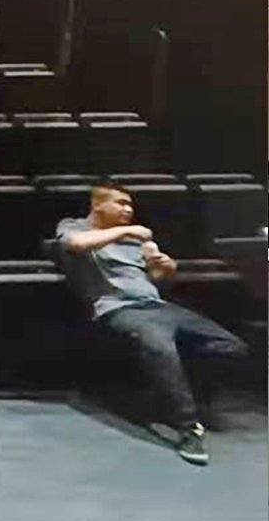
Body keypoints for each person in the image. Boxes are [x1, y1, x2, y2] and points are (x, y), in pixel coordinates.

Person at [56, 184, 247, 465]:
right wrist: (126, 231)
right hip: (118, 308)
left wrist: (165, 266)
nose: (128, 209)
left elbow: (157, 277)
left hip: (157, 306)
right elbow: (76, 244)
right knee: (162, 349)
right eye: (120, 203)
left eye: (130, 205)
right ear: (98, 205)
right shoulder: (75, 226)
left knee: (232, 347)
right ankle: (188, 428)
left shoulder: (135, 242)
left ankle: (172, 399)